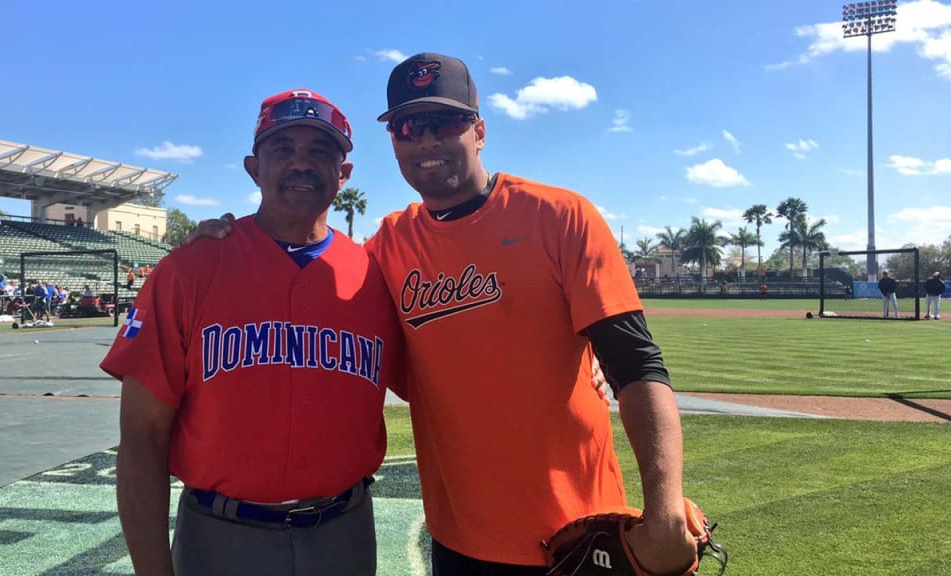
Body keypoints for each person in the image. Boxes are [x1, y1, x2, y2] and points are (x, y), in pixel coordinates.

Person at [190, 53, 696, 575]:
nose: (426, 141)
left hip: (577, 534)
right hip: (458, 540)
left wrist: (664, 507)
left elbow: (637, 366)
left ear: (478, 130)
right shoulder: (385, 248)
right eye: (409, 126)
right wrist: (224, 242)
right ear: (394, 142)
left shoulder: (560, 216)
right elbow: (305, 294)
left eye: (446, 122)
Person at [100, 88, 404, 576]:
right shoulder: (191, 267)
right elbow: (141, 435)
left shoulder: (375, 275)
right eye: (283, 150)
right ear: (253, 167)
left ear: (343, 174)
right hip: (220, 537)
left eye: (320, 151)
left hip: (344, 534)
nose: (301, 164)